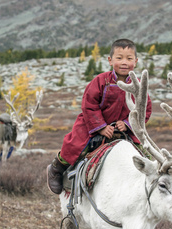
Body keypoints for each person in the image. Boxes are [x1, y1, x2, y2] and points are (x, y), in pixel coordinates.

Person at [47, 38, 152, 194]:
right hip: (93, 124)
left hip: (124, 129)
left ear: (135, 62)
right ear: (110, 60)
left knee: (145, 154)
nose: (124, 62)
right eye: (119, 58)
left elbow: (145, 109)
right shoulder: (100, 81)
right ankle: (57, 168)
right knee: (75, 145)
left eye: (129, 59)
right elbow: (89, 104)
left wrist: (128, 123)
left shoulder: (138, 85)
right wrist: (101, 127)